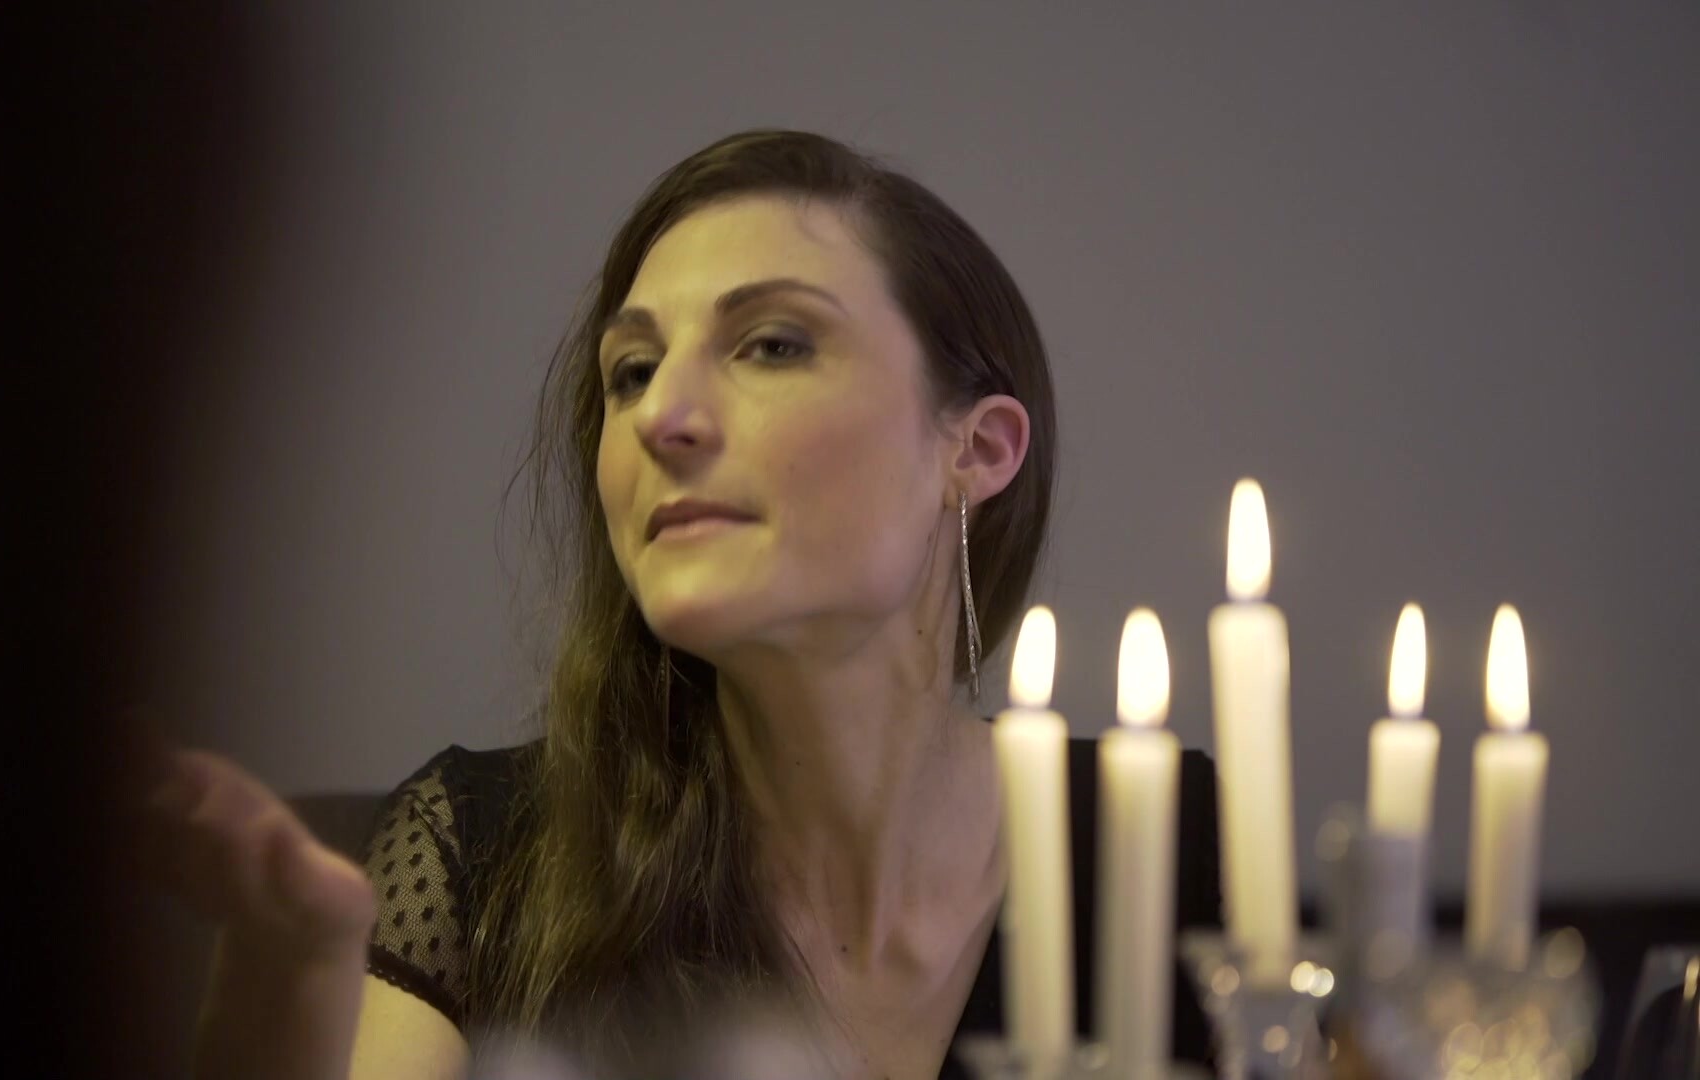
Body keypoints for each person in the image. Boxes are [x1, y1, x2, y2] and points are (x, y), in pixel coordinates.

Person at [144, 128, 1221, 1080]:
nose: (663, 415)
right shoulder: (484, 855)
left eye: (773, 344)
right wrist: (290, 972)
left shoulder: (1167, 850)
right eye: (632, 371)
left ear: (976, 450)